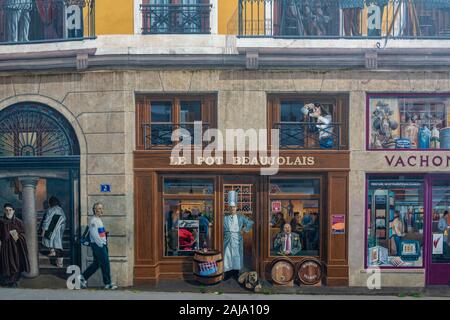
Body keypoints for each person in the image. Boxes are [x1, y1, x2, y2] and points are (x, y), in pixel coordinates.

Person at [79, 203, 118, 290]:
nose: (101, 210)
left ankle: (82, 278)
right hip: (98, 246)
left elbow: (99, 233)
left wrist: (104, 234)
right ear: (95, 210)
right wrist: (101, 244)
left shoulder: (98, 220)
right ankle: (108, 283)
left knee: (96, 264)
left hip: (100, 244)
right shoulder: (94, 221)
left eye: (101, 208)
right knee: (105, 263)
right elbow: (94, 235)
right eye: (99, 209)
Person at [0, 203, 30, 287]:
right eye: (6, 210)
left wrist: (17, 235)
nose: (8, 212)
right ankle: (7, 280)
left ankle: (14, 281)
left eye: (10, 210)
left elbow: (23, 234)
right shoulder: (1, 222)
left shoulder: (19, 222)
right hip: (5, 247)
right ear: (4, 211)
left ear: (13, 211)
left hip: (15, 247)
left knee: (15, 263)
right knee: (5, 263)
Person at [223, 197, 254, 280]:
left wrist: (244, 230)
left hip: (237, 238)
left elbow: (250, 222)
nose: (232, 209)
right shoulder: (225, 218)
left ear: (236, 208)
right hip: (227, 239)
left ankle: (236, 273)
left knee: (236, 255)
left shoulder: (241, 217)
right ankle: (227, 273)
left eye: (233, 207)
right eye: (230, 207)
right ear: (228, 209)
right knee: (227, 255)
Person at [40, 196, 66, 268]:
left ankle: (58, 261)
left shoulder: (50, 210)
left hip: (53, 227)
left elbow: (47, 221)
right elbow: (64, 219)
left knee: (53, 242)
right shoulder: (60, 209)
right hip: (59, 228)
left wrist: (43, 230)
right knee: (56, 243)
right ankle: (57, 258)